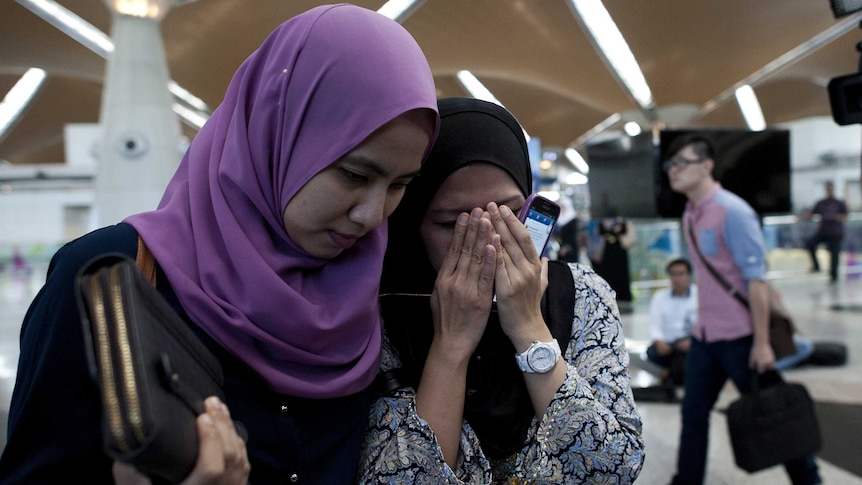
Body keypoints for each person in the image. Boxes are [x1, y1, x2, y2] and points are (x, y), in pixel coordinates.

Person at [0, 4, 439, 484]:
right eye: (354, 174)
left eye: (400, 185)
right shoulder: (109, 277)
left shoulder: (378, 284)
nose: (372, 215)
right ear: (275, 136)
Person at [358, 98, 644, 484]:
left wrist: (529, 326)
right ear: (411, 224)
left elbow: (611, 470)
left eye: (509, 215)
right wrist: (451, 345)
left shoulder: (582, 293)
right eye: (453, 224)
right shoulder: (379, 309)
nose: (489, 243)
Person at [665, 133, 820, 484]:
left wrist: (762, 343)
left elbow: (757, 281)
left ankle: (809, 480)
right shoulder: (690, 214)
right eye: (670, 165)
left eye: (682, 163)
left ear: (706, 166)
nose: (673, 171)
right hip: (705, 336)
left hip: (743, 338)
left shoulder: (733, 212)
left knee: (776, 413)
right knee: (693, 414)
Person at [646, 258, 697, 385]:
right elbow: (655, 325)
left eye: (681, 274)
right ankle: (677, 372)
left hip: (691, 341)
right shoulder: (660, 298)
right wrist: (659, 341)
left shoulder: (699, 295)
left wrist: (693, 340)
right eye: (673, 274)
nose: (677, 278)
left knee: (698, 352)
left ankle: (674, 373)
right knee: (652, 352)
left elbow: (705, 324)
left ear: (689, 275)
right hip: (669, 344)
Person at [800, 181, 848, 283]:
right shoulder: (821, 203)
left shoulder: (839, 203)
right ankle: (816, 266)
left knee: (834, 255)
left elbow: (845, 215)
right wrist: (802, 216)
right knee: (810, 245)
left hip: (835, 233)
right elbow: (812, 213)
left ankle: (833, 277)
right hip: (823, 231)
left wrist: (839, 217)